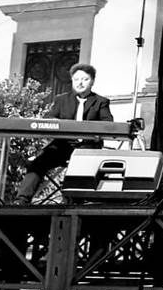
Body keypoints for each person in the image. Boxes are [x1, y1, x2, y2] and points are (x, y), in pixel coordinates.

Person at [15, 63, 113, 205]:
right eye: (76, 79)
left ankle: (71, 201)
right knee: (39, 162)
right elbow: (49, 119)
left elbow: (108, 124)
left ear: (92, 81)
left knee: (80, 163)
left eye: (85, 79)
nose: (80, 83)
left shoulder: (101, 102)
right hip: (63, 145)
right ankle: (21, 200)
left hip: (87, 147)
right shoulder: (61, 99)